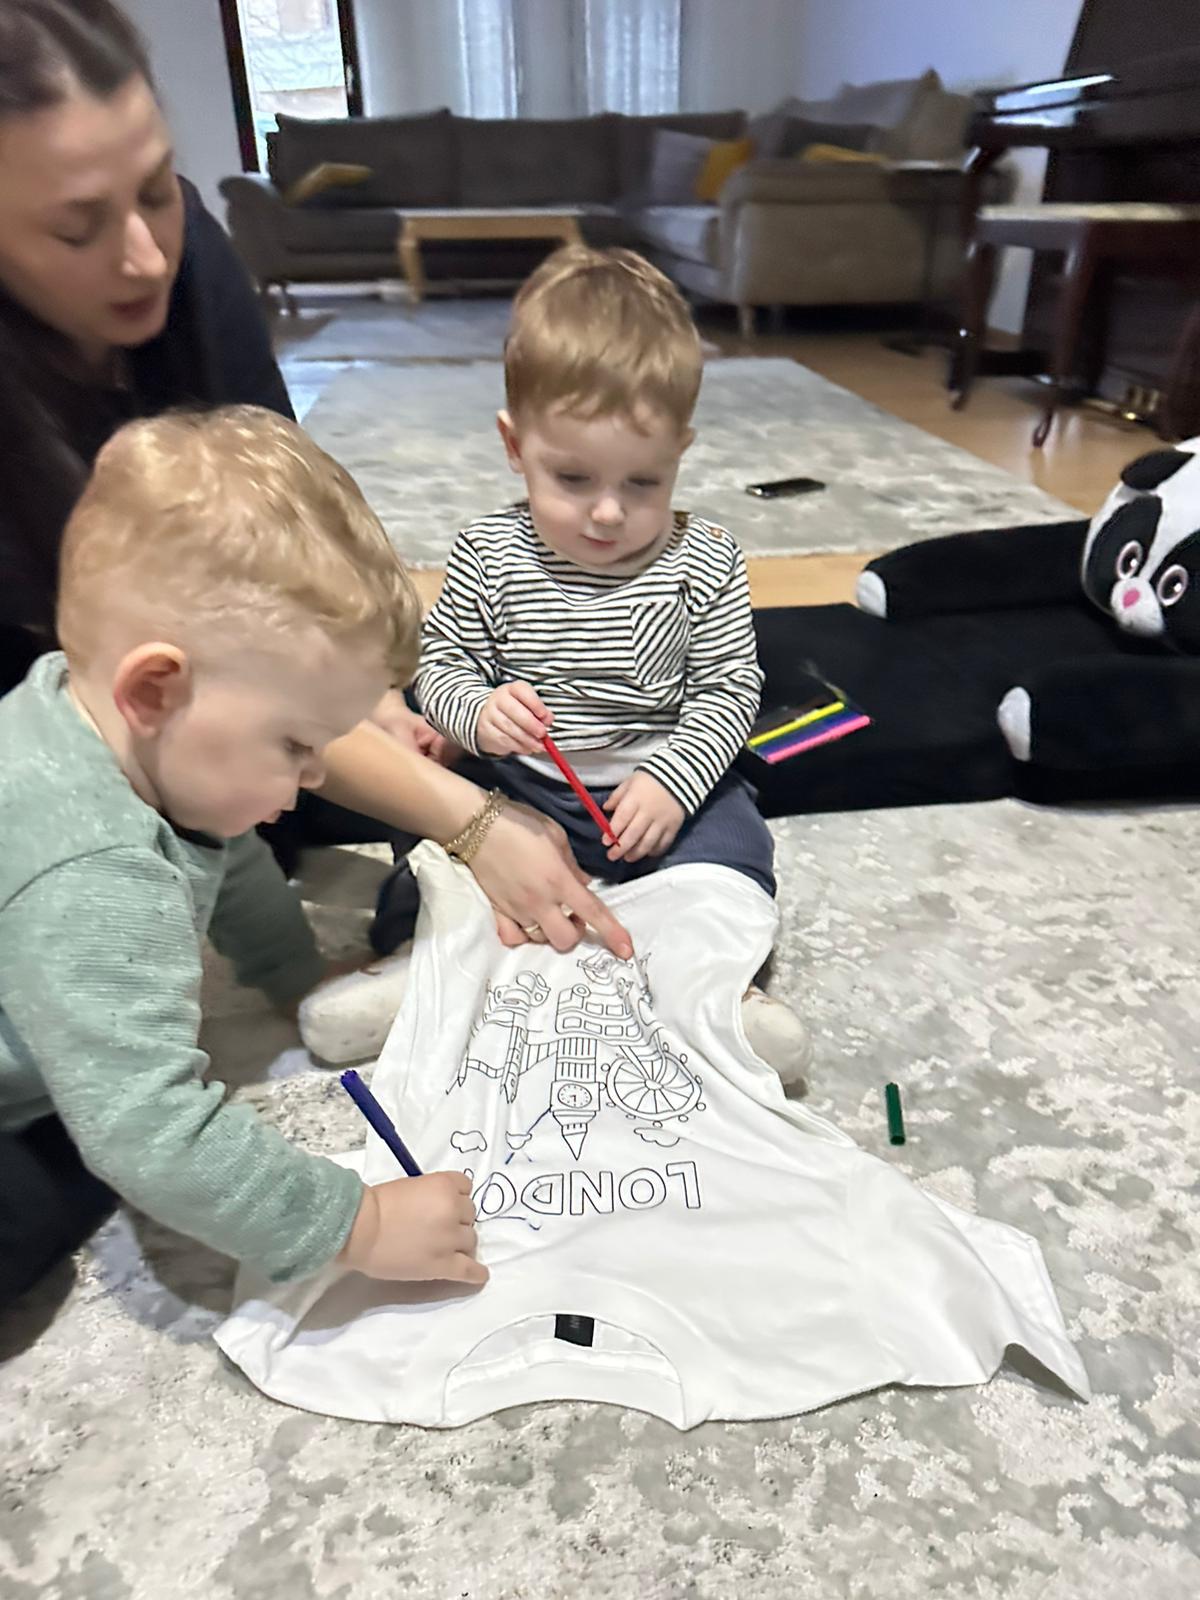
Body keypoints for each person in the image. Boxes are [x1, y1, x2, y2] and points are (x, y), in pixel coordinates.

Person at [0, 0, 629, 963]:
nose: (143, 255)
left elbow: (284, 536)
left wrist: (367, 689)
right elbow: (186, 683)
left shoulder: (192, 258)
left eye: (156, 191)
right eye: (76, 229)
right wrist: (466, 819)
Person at [0, 406, 490, 1310]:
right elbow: (144, 1126)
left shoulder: (109, 732)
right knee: (51, 1207)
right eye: (296, 743)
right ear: (156, 688)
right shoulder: (94, 871)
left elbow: (230, 860)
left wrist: (294, 975)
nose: (312, 780)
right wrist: (356, 1224)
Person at [307, 247, 809, 1074]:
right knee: (431, 856)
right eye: (572, 477)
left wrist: (677, 780)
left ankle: (711, 994)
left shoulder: (710, 559)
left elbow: (729, 692)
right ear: (515, 445)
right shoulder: (486, 553)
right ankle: (423, 972)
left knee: (735, 862)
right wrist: (475, 711)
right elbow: (439, 673)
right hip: (526, 790)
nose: (609, 514)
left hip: (665, 795)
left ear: (681, 450)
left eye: (644, 483)